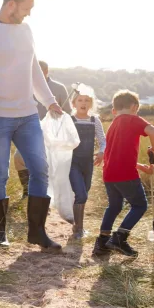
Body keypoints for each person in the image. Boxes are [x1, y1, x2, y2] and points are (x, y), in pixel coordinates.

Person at [0, 0, 63, 251]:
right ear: (12, 4)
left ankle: (37, 232)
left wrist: (50, 101)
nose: (29, 13)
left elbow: (33, 70)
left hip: (27, 115)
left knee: (40, 169)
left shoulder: (27, 31)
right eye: (26, 7)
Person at [91, 89, 154, 257]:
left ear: (114, 110)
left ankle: (102, 243)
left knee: (114, 206)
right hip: (125, 175)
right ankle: (119, 238)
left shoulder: (113, 125)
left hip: (109, 174)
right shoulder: (133, 119)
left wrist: (142, 167)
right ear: (135, 107)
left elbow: (117, 156)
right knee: (140, 205)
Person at [13, 60, 72, 199]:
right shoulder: (23, 86)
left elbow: (68, 112)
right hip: (27, 130)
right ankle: (27, 193)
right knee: (18, 158)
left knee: (44, 164)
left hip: (52, 133)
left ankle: (43, 196)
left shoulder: (59, 88)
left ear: (45, 72)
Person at [68, 84, 106, 239]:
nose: (83, 103)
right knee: (81, 194)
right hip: (72, 162)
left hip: (88, 163)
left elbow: (103, 140)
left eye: (87, 101)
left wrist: (102, 152)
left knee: (85, 191)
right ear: (74, 103)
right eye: (80, 100)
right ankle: (78, 230)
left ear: (91, 104)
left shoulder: (94, 120)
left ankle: (77, 226)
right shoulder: (69, 120)